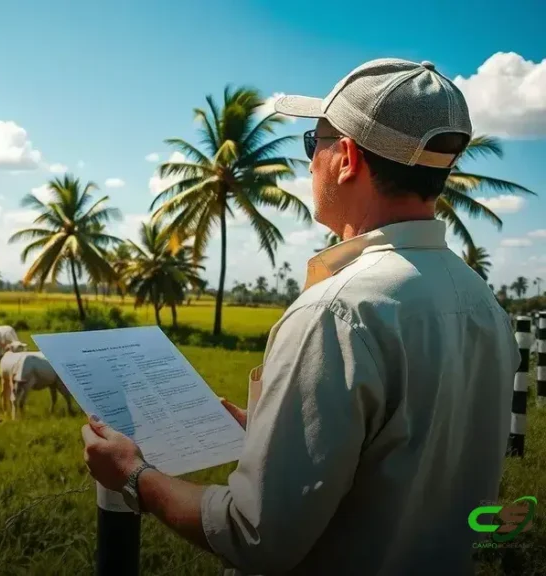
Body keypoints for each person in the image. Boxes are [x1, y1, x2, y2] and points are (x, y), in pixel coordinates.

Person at [81, 58, 521, 575]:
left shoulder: (336, 311)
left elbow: (256, 534)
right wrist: (278, 432)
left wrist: (134, 476)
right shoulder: (482, 302)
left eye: (315, 142)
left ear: (347, 157)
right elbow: (409, 457)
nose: (309, 161)